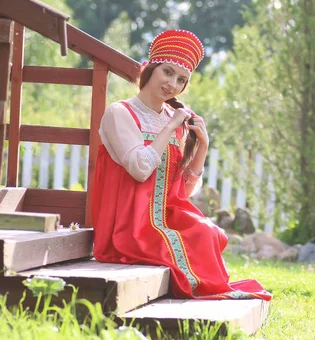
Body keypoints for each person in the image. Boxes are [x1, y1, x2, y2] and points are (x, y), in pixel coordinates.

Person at [92, 29, 271, 301]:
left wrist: (202, 146)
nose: (172, 84)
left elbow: (181, 193)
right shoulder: (120, 113)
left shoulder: (172, 118)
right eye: (167, 72)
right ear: (150, 69)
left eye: (181, 80)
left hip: (162, 216)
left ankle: (214, 288)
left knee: (208, 232)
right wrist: (171, 126)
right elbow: (140, 170)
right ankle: (203, 288)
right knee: (193, 236)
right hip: (128, 224)